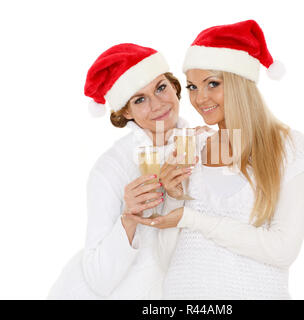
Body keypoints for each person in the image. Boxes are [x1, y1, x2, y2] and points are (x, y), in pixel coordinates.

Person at [127, 20, 304, 299]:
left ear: (240, 81)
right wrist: (172, 197)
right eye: (193, 87)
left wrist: (193, 219)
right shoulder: (189, 148)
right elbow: (165, 259)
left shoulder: (288, 147)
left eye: (212, 83)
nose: (200, 98)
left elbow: (282, 250)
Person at [47, 43, 194, 299]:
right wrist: (128, 218)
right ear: (126, 111)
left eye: (161, 87)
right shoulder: (111, 168)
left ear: (174, 86)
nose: (158, 104)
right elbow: (99, 279)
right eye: (140, 99)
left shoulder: (208, 147)